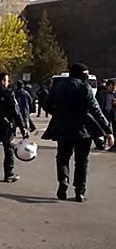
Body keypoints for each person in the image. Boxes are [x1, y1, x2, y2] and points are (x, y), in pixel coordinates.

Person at [42, 63, 114, 202]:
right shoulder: (84, 87)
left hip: (63, 128)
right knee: (81, 161)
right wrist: (108, 131)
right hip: (83, 129)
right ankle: (79, 191)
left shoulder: (58, 87)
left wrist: (59, 114)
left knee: (62, 157)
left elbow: (46, 105)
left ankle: (63, 180)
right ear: (82, 75)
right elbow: (95, 110)